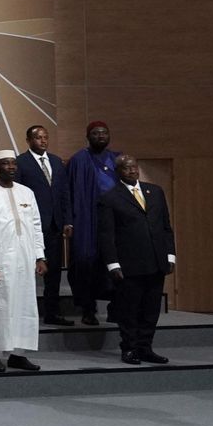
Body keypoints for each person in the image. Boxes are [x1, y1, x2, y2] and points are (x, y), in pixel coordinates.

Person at [0, 151, 45, 373]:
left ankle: (18, 354)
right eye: (6, 164)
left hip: (25, 259)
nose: (11, 167)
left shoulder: (27, 192)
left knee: (24, 305)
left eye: (13, 163)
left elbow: (36, 226)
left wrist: (40, 256)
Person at [98, 155, 175, 365]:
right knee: (130, 310)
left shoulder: (155, 192)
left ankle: (146, 347)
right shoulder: (110, 198)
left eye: (134, 167)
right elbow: (107, 235)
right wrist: (113, 263)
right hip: (129, 264)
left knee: (151, 310)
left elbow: (166, 227)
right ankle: (130, 348)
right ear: (118, 172)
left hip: (156, 261)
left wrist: (170, 255)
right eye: (126, 168)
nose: (131, 171)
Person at [15, 124, 74, 325]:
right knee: (27, 270)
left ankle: (52, 312)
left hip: (55, 225)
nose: (43, 141)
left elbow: (65, 193)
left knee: (54, 271)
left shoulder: (56, 162)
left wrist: (68, 220)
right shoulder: (20, 162)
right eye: (38, 137)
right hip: (30, 225)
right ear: (29, 140)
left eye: (45, 137)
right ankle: (24, 313)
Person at [67, 120, 121, 325]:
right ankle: (87, 308)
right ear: (88, 136)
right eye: (96, 133)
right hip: (86, 220)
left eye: (104, 133)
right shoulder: (78, 160)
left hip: (113, 221)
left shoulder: (117, 159)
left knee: (115, 263)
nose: (101, 136)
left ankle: (115, 307)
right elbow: (69, 192)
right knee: (85, 262)